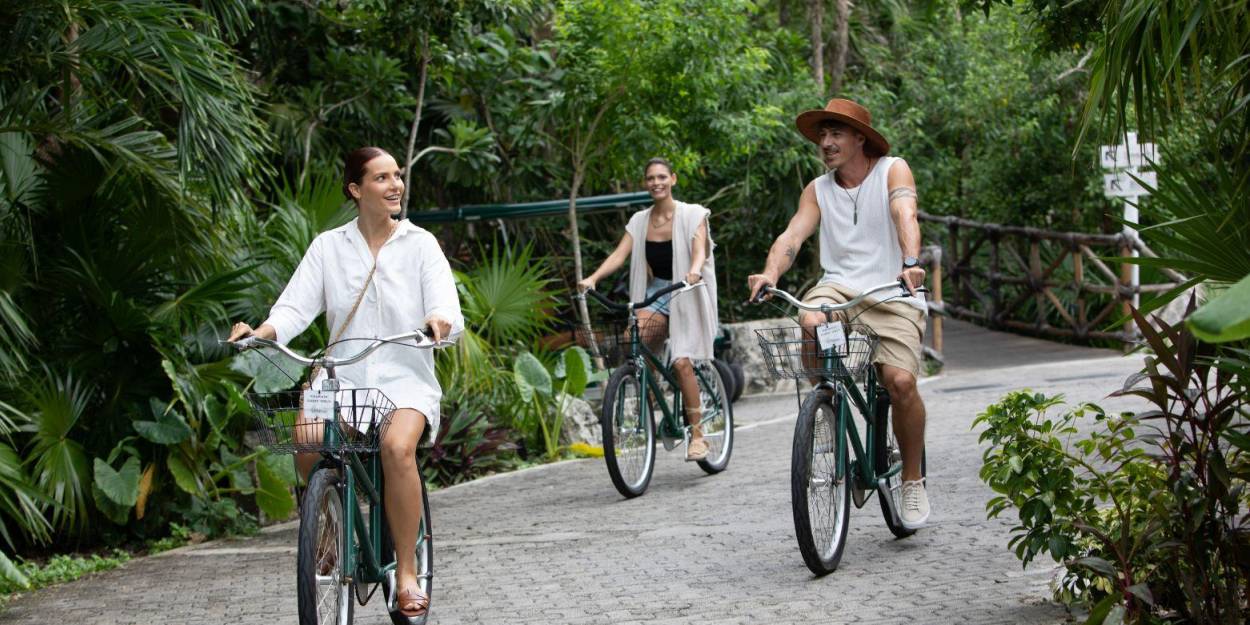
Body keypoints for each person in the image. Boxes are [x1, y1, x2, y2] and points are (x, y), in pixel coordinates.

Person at [227, 147, 462, 616]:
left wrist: (438, 323)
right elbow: (293, 308)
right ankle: (330, 523)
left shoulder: (421, 244)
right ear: (356, 190)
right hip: (343, 376)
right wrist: (262, 333)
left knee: (397, 448)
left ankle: (407, 571)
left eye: (397, 176)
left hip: (405, 377)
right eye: (382, 178)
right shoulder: (328, 246)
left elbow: (445, 306)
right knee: (307, 438)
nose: (395, 185)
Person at [746, 98, 931, 529]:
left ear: (860, 138)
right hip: (839, 286)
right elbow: (792, 235)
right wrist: (770, 273)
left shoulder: (892, 169)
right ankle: (827, 410)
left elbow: (905, 211)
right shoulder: (818, 189)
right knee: (809, 320)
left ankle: (912, 478)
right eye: (822, 136)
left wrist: (910, 261)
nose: (826, 143)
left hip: (891, 286)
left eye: (836, 134)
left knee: (900, 383)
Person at [577, 157, 720, 461]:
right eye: (650, 178)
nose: (656, 183)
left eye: (661, 177)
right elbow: (619, 255)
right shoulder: (640, 221)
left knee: (682, 362)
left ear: (673, 179)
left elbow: (699, 250)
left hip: (686, 290)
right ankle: (656, 399)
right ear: (645, 183)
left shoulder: (694, 214)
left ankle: (697, 435)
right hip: (656, 293)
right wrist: (593, 278)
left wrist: (694, 271)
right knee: (634, 339)